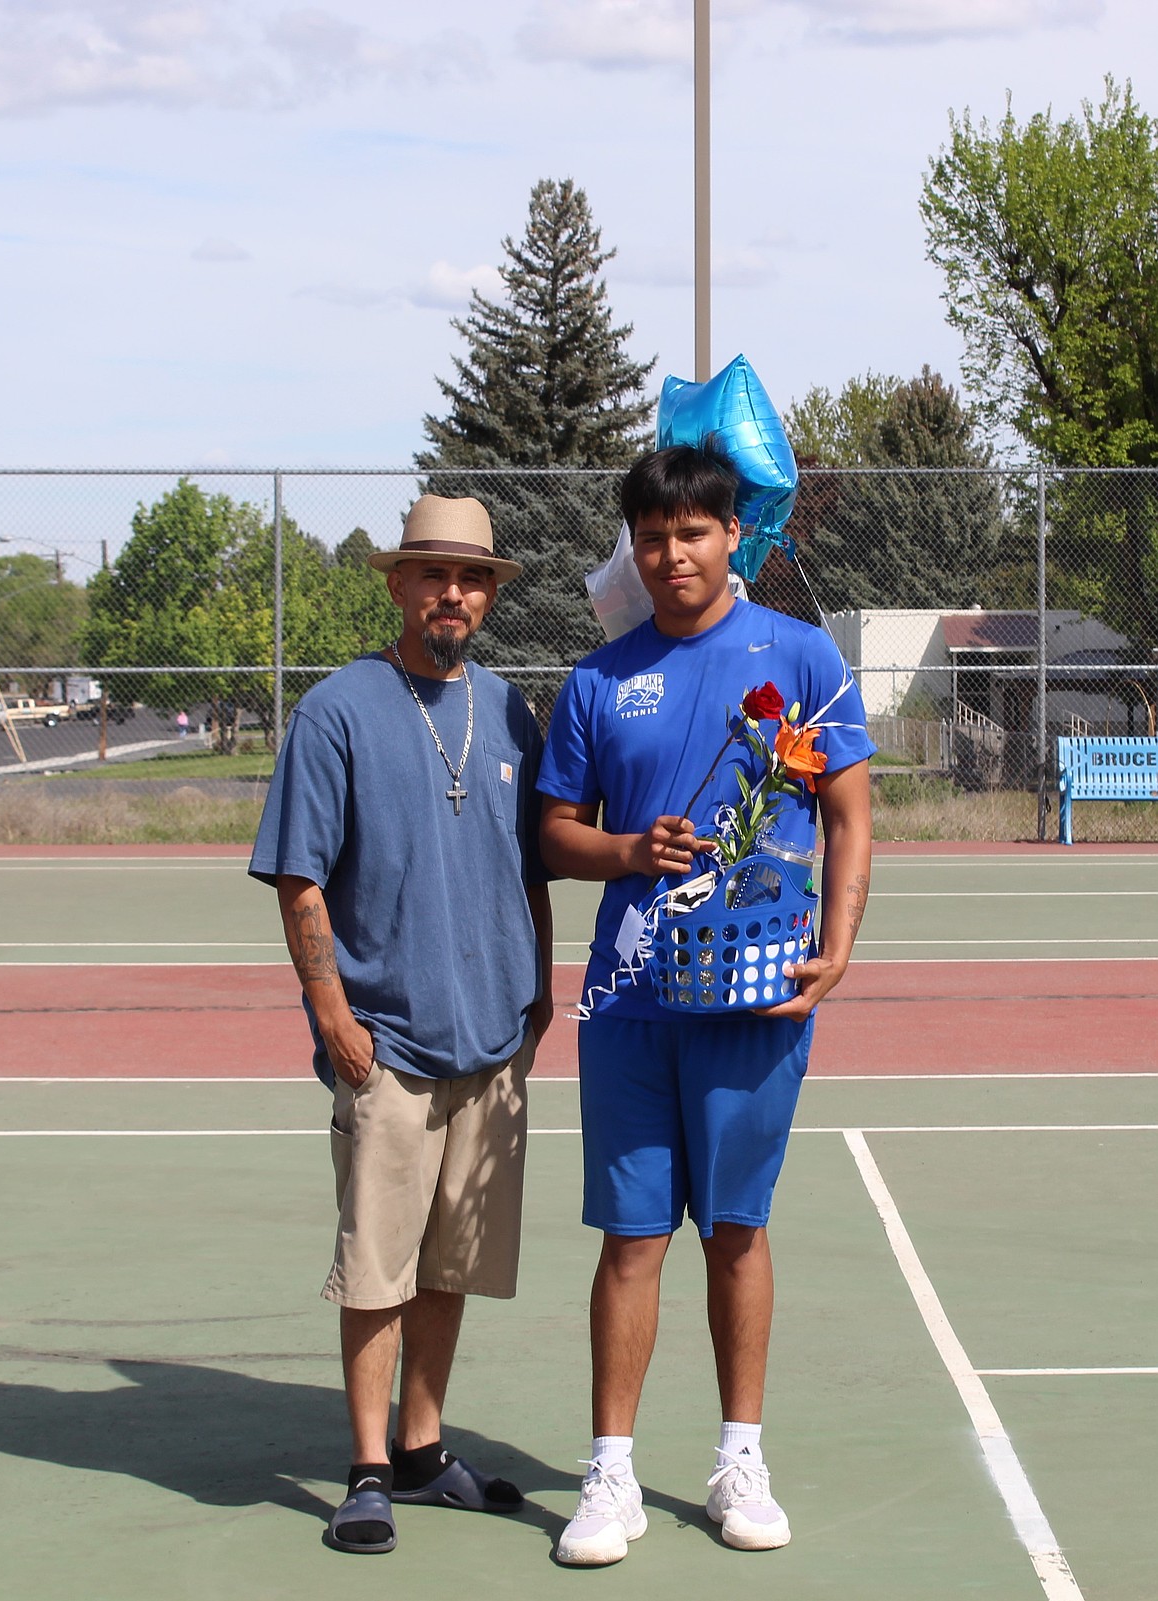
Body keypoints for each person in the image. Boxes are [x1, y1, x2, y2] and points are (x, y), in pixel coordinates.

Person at [537, 441, 873, 1566]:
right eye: (651, 535)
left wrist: (837, 945)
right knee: (631, 1240)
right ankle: (612, 1472)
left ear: (735, 536)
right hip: (631, 1001)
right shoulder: (597, 676)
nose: (671, 552)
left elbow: (848, 814)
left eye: (692, 532)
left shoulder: (803, 653)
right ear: (632, 546)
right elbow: (553, 833)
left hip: (751, 998)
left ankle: (740, 1457)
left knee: (738, 1228)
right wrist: (627, 847)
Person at [249, 494, 553, 1556]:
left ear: (488, 594)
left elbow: (533, 865)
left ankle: (424, 1449)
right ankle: (368, 1464)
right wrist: (335, 1016)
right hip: (389, 1044)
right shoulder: (340, 710)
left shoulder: (513, 711)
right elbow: (298, 879)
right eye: (433, 574)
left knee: (450, 1261)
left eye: (470, 579)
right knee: (376, 1266)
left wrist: (539, 987)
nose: (453, 594)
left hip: (491, 1044)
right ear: (397, 583)